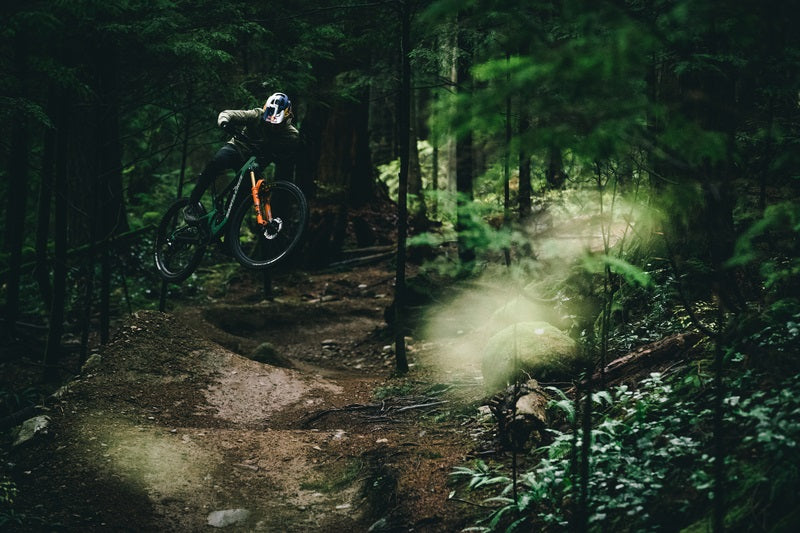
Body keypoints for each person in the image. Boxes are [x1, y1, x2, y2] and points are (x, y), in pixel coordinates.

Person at [183, 92, 300, 223]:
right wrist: (224, 122)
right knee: (217, 162)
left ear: (287, 117)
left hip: (254, 164)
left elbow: (289, 154)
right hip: (237, 149)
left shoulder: (292, 136)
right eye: (269, 120)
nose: (273, 126)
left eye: (277, 123)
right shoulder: (257, 115)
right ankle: (192, 205)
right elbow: (228, 114)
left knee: (240, 201)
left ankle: (225, 225)